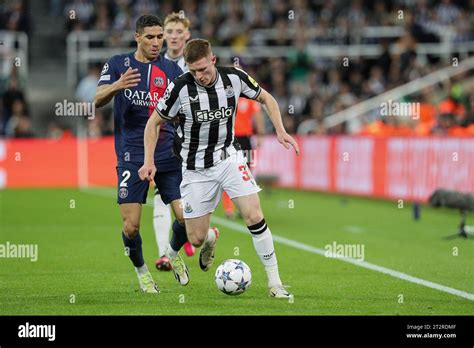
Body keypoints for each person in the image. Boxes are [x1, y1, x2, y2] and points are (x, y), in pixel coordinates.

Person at [139, 39, 300, 298]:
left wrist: (280, 130)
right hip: (194, 169)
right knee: (196, 238)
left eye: (202, 69)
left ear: (213, 60)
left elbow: (266, 97)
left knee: (254, 216)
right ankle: (211, 238)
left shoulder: (234, 78)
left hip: (229, 159)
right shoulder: (179, 87)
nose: (199, 76)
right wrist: (148, 161)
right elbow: (153, 123)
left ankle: (275, 283)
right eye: (193, 71)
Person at [94, 14, 192, 293]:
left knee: (186, 218)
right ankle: (142, 272)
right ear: (137, 37)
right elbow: (97, 100)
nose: (157, 42)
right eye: (150, 37)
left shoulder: (173, 70)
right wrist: (116, 85)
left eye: (160, 37)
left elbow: (185, 108)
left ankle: (172, 256)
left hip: (167, 154)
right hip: (131, 154)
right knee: (131, 226)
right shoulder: (117, 64)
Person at [154, 11, 196, 271]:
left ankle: (189, 236)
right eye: (169, 32)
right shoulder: (154, 64)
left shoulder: (194, 64)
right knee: (161, 195)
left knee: (184, 200)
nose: (173, 36)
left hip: (191, 143)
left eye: (178, 32)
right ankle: (165, 254)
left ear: (187, 35)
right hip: (164, 141)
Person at [222, 96, 265, 219]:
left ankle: (232, 209)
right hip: (240, 139)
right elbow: (258, 116)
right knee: (244, 174)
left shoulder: (227, 97)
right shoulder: (249, 99)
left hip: (232, 139)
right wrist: (261, 134)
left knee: (231, 172)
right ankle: (239, 208)